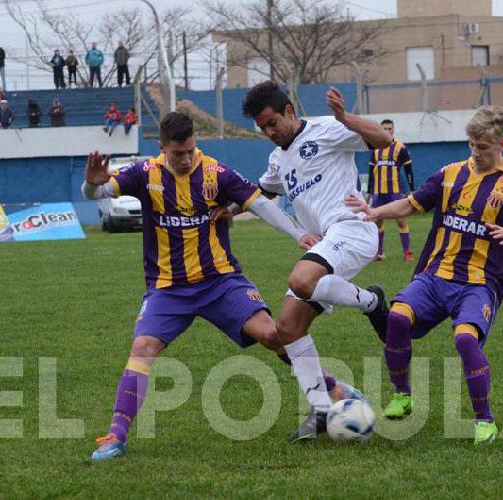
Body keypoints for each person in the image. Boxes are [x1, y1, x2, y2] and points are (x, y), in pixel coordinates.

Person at [81, 111, 363, 461]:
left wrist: (297, 233)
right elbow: (97, 190)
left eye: (189, 151)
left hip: (221, 282)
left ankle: (335, 388)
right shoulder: (145, 173)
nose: (184, 160)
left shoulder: (216, 173)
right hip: (168, 289)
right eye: (176, 154)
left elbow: (259, 203)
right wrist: (92, 184)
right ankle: (114, 437)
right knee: (143, 347)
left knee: (273, 335)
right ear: (161, 148)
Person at [345, 105, 503, 445]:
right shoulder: (450, 174)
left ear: (501, 144)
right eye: (472, 145)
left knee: (465, 339)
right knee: (397, 317)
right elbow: (411, 204)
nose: (476, 152)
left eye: (483, 147)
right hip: (435, 275)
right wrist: (374, 211)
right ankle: (403, 394)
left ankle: (484, 420)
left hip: (479, 283)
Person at [242, 81, 393, 442]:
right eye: (262, 127)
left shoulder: (328, 128)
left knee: (301, 279)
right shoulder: (278, 159)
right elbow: (260, 191)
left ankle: (372, 302)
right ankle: (323, 409)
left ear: (290, 111)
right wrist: (226, 208)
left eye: (273, 122)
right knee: (287, 329)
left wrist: (345, 117)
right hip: (327, 245)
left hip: (352, 230)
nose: (269, 131)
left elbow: (384, 140)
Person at [367, 119, 415, 262]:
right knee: (377, 221)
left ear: (393, 130)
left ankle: (407, 252)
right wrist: (369, 191)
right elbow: (371, 171)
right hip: (378, 191)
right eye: (384, 129)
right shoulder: (375, 147)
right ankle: (379, 253)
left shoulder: (400, 147)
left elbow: (409, 171)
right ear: (380, 129)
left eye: (389, 128)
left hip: (394, 191)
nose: (387, 131)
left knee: (400, 219)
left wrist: (412, 189)